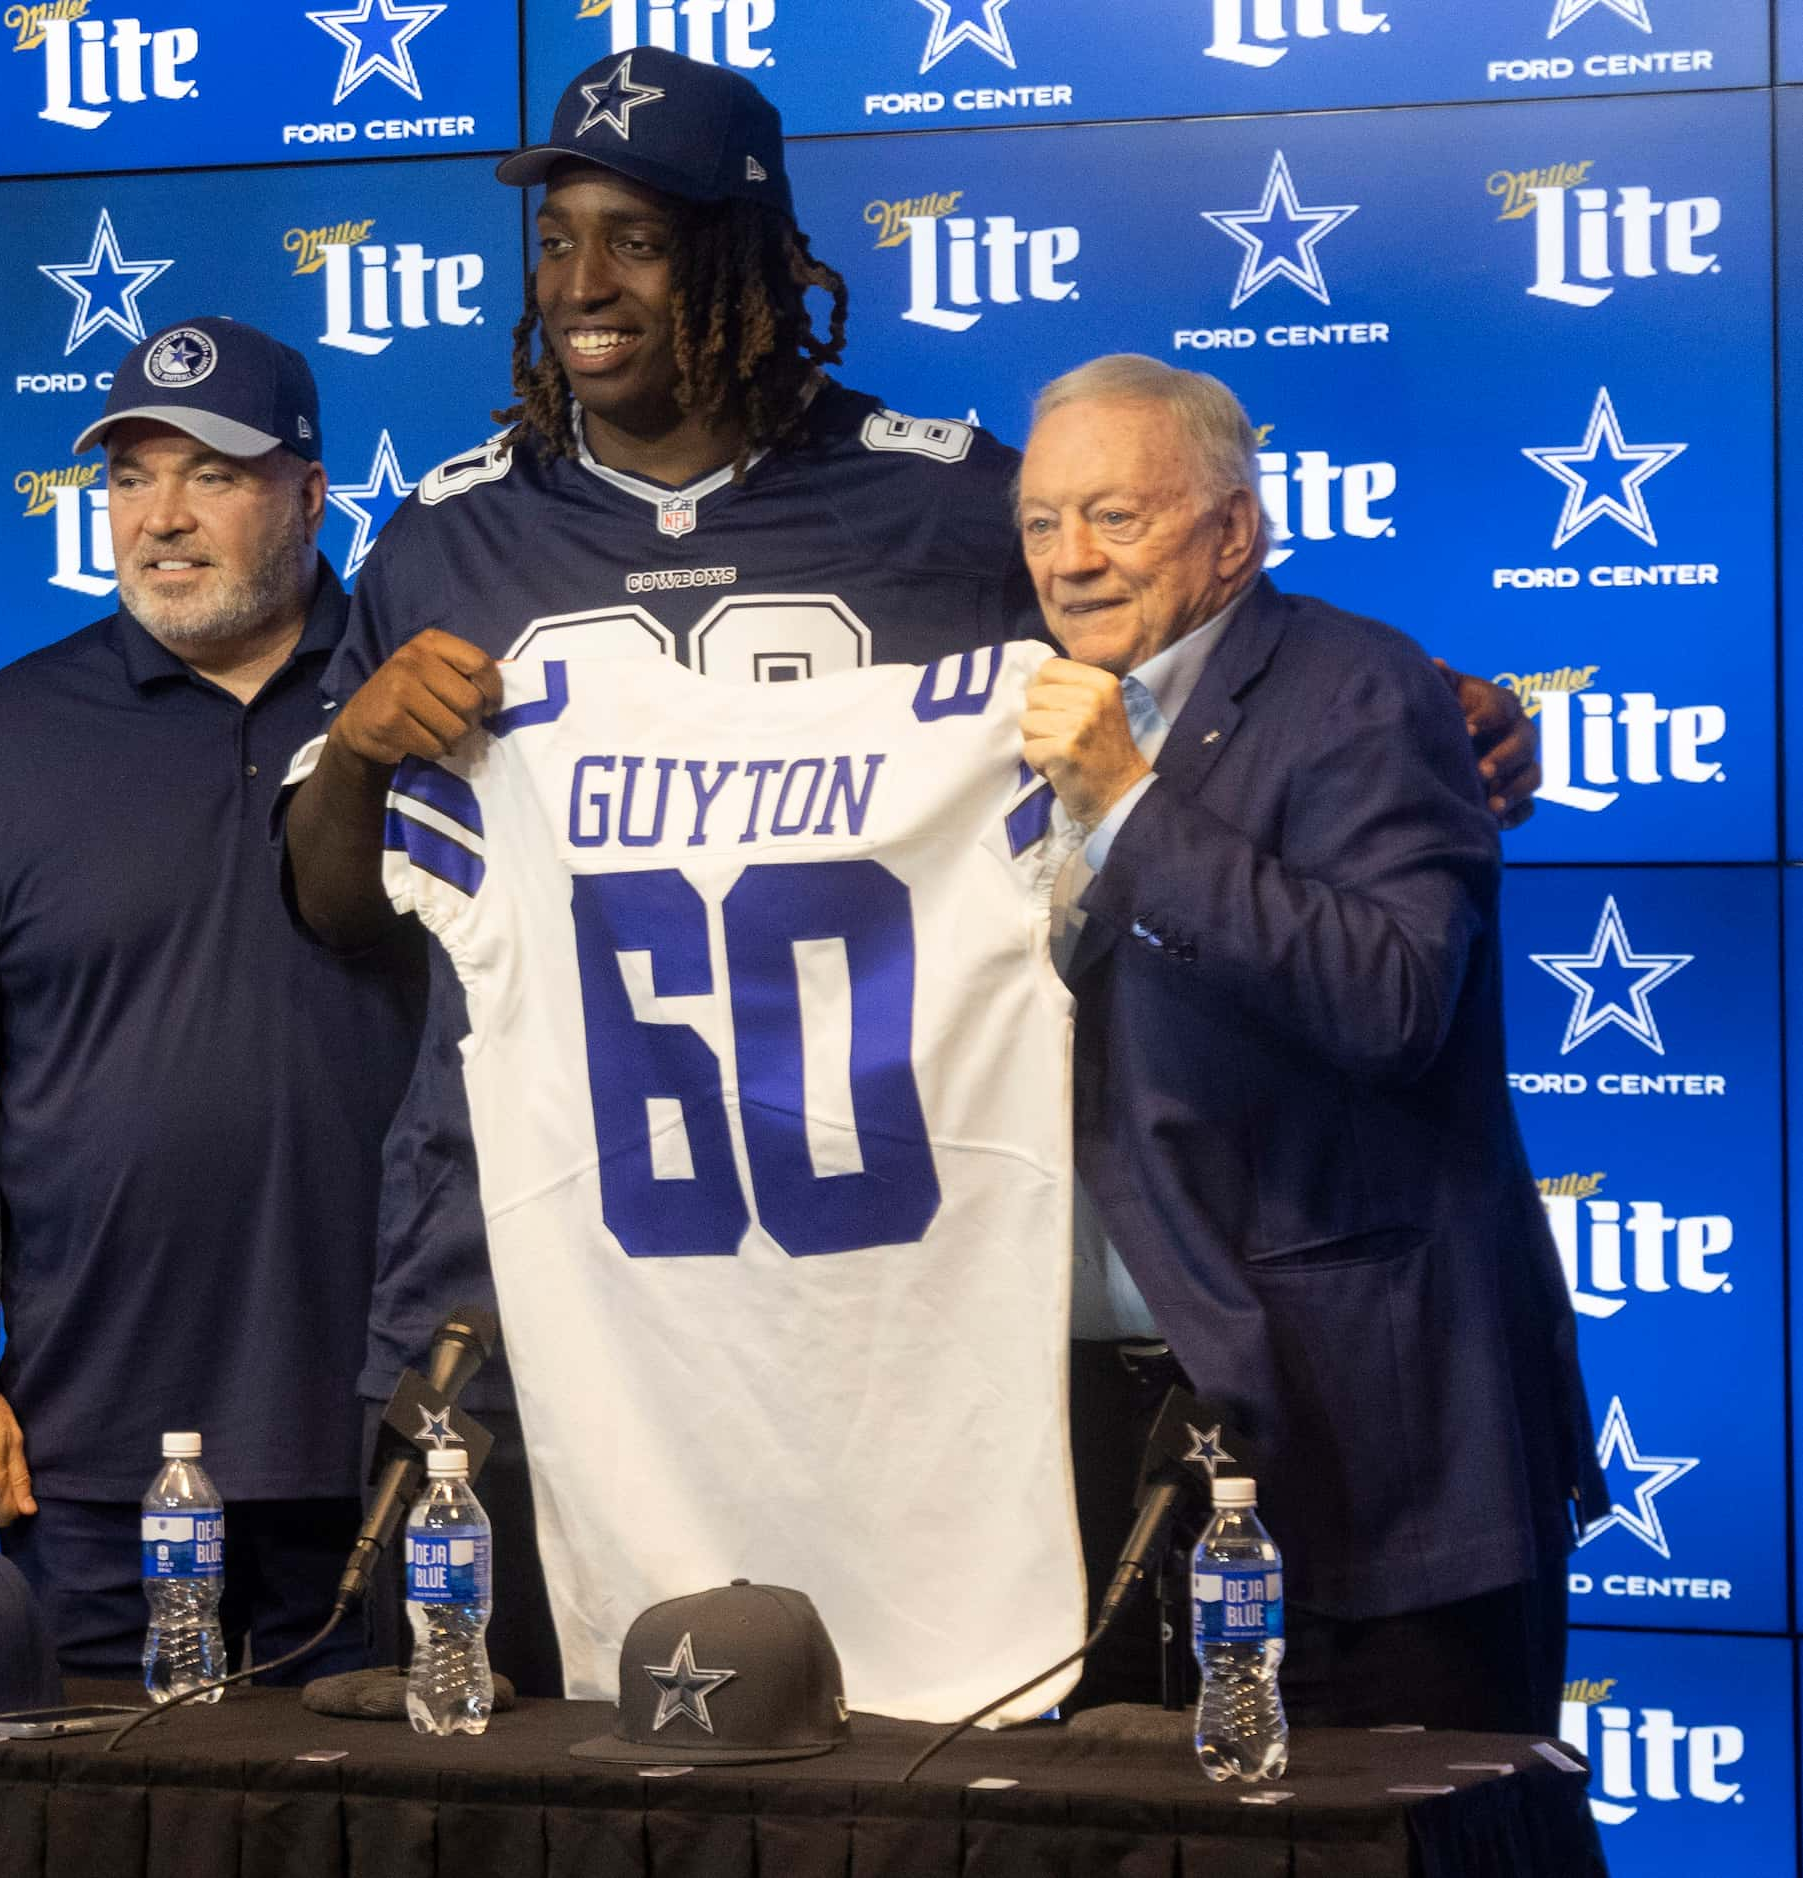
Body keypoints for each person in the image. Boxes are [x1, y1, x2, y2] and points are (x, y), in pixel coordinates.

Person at [281, 46, 1543, 1698]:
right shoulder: (446, 537)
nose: (583, 284)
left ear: (747, 250)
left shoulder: (955, 503)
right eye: (559, 240)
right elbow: (335, 912)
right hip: (549, 1276)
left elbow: (1182, 670)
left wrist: (1421, 707)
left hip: (896, 1284)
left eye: (639, 240)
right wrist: (366, 750)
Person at [1016, 352, 1602, 1732]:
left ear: (1235, 534)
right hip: (1103, 1453)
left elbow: (1395, 997)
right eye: (1042, 522)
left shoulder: (1365, 691)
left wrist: (1130, 805)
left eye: (1118, 515)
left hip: (1366, 1452)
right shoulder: (1009, 706)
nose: (1071, 558)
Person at [0, 319, 420, 1683]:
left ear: (312, 492)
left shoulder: (417, 709)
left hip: (389, 1443)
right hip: (89, 1463)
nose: (160, 518)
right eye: (128, 477)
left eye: (210, 475)